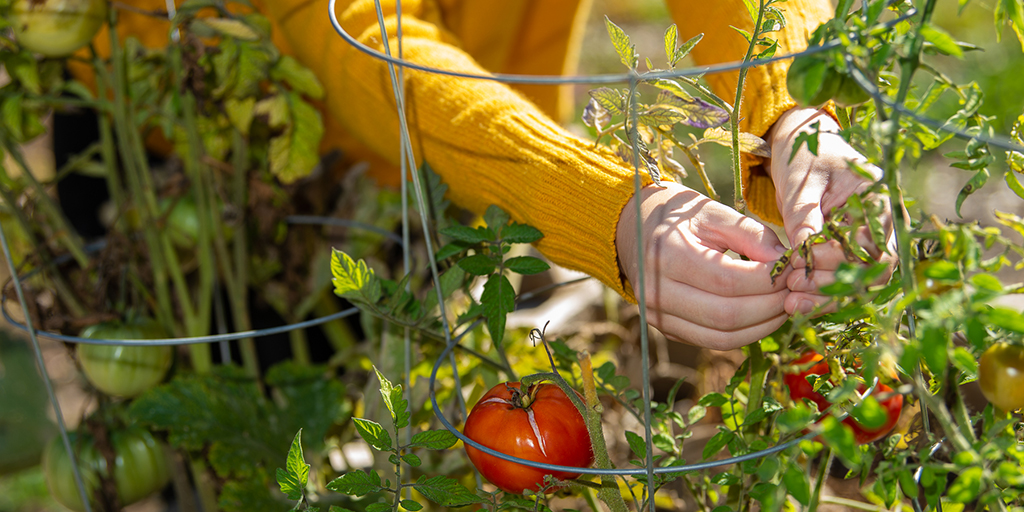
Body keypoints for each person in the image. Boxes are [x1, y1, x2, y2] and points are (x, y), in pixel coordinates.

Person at [85, 0, 894, 350]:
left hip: (468, 128)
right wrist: (588, 200)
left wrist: (789, 110)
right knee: (249, 449)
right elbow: (353, 32)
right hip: (200, 152)